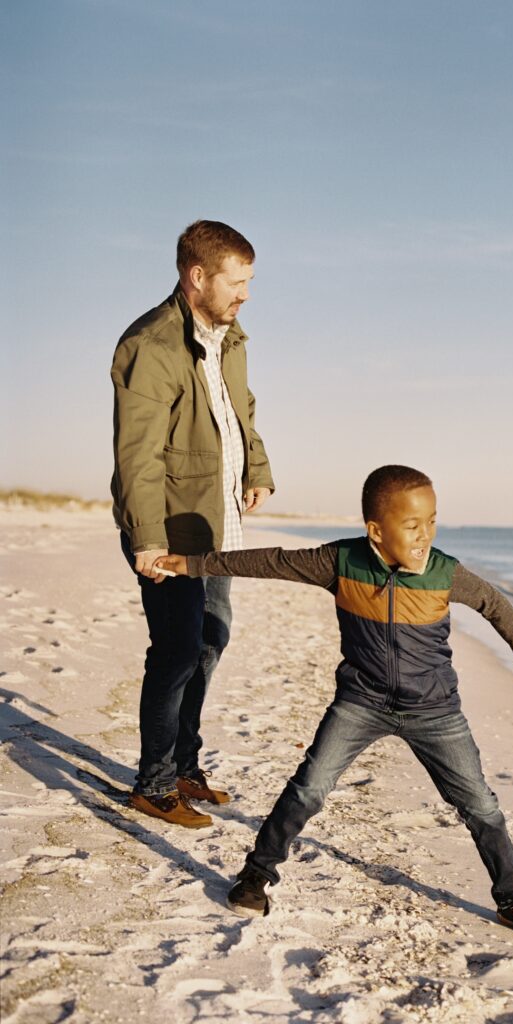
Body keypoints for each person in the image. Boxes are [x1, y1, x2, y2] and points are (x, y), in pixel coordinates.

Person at [157, 465, 513, 942]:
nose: (425, 534)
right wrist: (193, 565)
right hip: (361, 702)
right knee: (309, 787)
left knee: (480, 805)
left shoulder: (444, 572)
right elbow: (271, 561)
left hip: (435, 711)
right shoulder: (341, 563)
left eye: (432, 522)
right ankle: (256, 875)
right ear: (376, 530)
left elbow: (494, 603)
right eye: (412, 525)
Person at [111, 220, 275, 828]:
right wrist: (148, 540)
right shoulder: (150, 346)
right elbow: (138, 455)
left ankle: (185, 766)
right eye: (237, 281)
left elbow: (242, 408)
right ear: (196, 275)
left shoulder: (229, 336)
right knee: (177, 651)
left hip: (218, 520)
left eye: (250, 281)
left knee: (210, 642)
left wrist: (255, 467)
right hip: (173, 527)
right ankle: (153, 786)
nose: (246, 294)